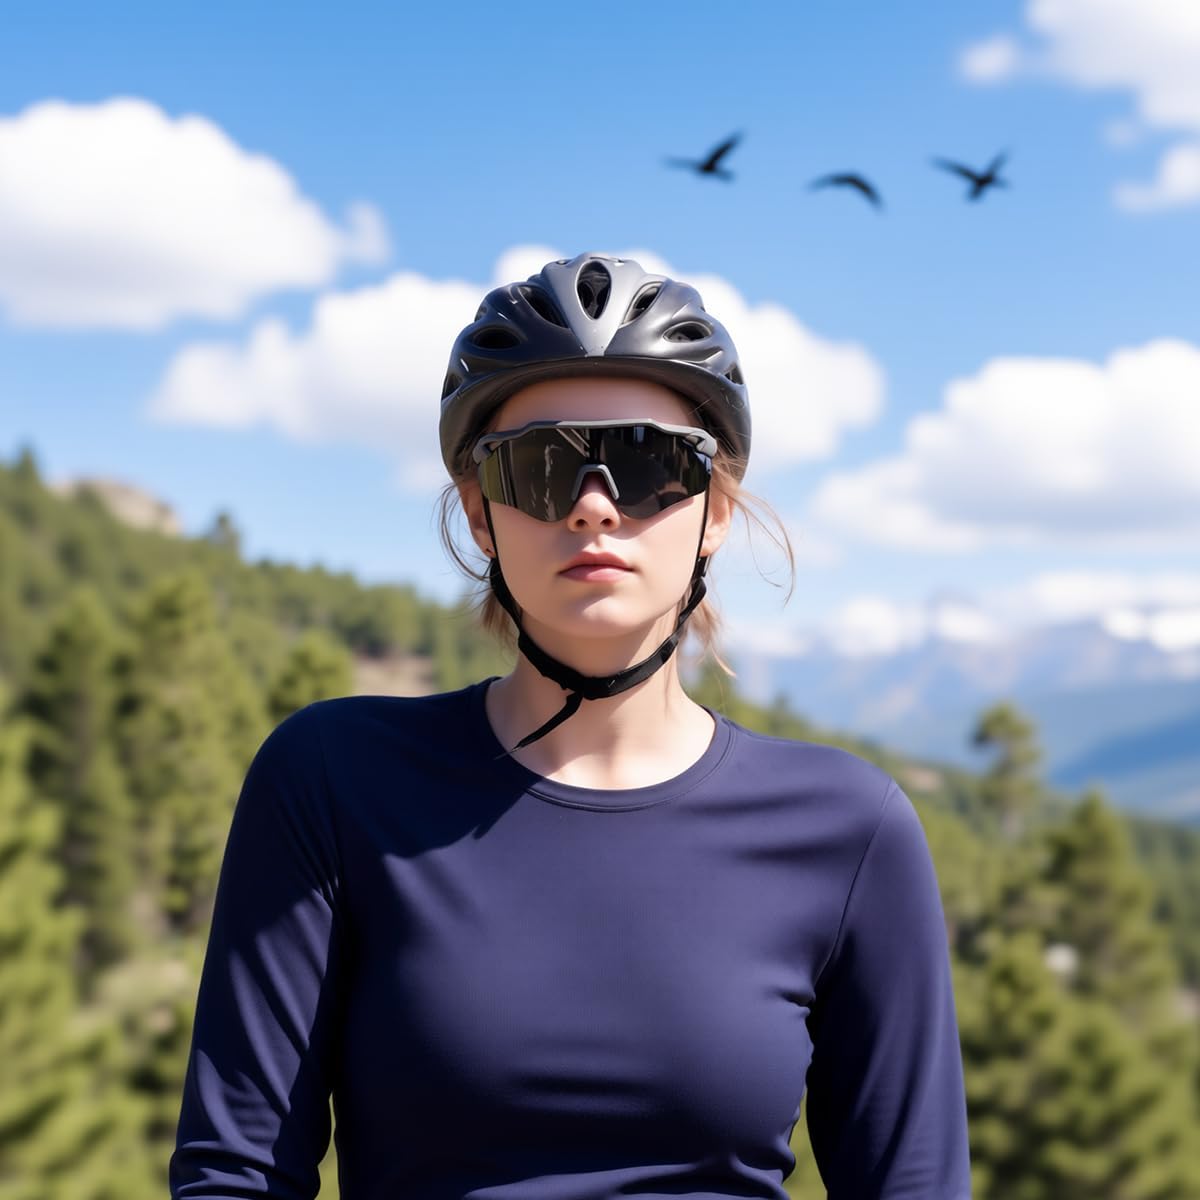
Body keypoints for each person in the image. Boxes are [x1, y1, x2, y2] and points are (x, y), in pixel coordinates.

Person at [170, 253, 972, 1199]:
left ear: (714, 510)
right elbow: (237, 1175)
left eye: (646, 460)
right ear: (480, 513)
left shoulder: (850, 829)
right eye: (541, 466)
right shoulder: (333, 781)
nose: (594, 505)